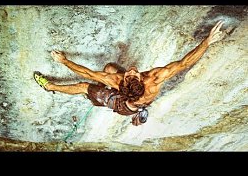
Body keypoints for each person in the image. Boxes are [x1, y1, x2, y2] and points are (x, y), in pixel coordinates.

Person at [34, 21, 224, 126]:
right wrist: (207, 42)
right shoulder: (141, 79)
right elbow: (183, 63)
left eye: (132, 74)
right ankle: (128, 107)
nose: (132, 70)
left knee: (85, 86)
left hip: (124, 106)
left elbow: (88, 75)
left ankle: (49, 86)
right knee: (108, 68)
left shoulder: (135, 83)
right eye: (130, 74)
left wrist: (64, 61)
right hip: (133, 98)